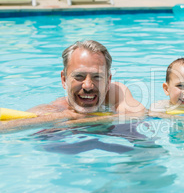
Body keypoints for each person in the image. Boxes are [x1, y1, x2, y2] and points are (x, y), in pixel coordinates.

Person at [1, 40, 145, 131]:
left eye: (97, 77)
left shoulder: (116, 92)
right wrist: (59, 117)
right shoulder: (52, 111)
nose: (88, 86)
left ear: (108, 81)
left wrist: (75, 118)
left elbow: (141, 115)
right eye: (79, 76)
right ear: (64, 80)